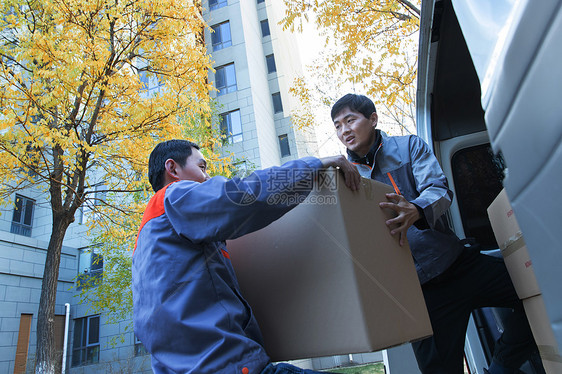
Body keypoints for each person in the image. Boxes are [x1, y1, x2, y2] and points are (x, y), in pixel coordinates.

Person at [331, 94, 541, 374]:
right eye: (337, 125)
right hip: (418, 293)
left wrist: (416, 209)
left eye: (350, 120)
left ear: (372, 119)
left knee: (538, 290)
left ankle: (501, 367)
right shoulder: (343, 178)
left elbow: (440, 189)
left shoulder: (408, 147)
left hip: (457, 265)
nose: (344, 130)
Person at [132, 139, 360, 374]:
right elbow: (243, 195)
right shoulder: (174, 196)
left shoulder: (146, 241)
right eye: (201, 167)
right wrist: (313, 165)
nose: (208, 176)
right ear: (173, 169)